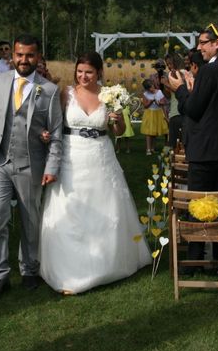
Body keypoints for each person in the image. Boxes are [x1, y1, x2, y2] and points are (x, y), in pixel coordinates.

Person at [39, 52, 151, 294]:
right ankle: (69, 268)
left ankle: (107, 263)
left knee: (106, 207)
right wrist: (47, 134)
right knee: (71, 208)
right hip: (72, 156)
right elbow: (54, 123)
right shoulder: (66, 94)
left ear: (99, 72)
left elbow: (119, 131)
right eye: (80, 71)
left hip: (101, 153)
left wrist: (117, 118)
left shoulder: (110, 95)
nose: (83, 76)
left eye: (88, 72)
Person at [0, 34, 63, 298]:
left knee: (29, 220)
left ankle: (29, 269)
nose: (23, 60)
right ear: (13, 56)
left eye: (29, 55)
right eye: (19, 55)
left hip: (30, 163)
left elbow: (55, 133)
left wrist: (51, 167)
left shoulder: (50, 91)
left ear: (38, 56)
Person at [168, 22, 218, 269]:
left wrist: (180, 90)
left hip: (205, 148)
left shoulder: (209, 71)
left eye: (203, 42)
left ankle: (194, 258)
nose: (198, 47)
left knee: (199, 203)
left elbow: (193, 109)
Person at [140, 79, 168, 155]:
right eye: (149, 89)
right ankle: (148, 149)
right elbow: (145, 105)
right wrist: (151, 101)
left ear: (153, 85)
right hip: (149, 113)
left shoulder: (159, 92)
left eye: (152, 87)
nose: (151, 90)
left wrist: (160, 102)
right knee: (149, 132)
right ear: (146, 89)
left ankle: (153, 148)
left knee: (154, 131)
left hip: (158, 113)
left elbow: (164, 102)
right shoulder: (145, 94)